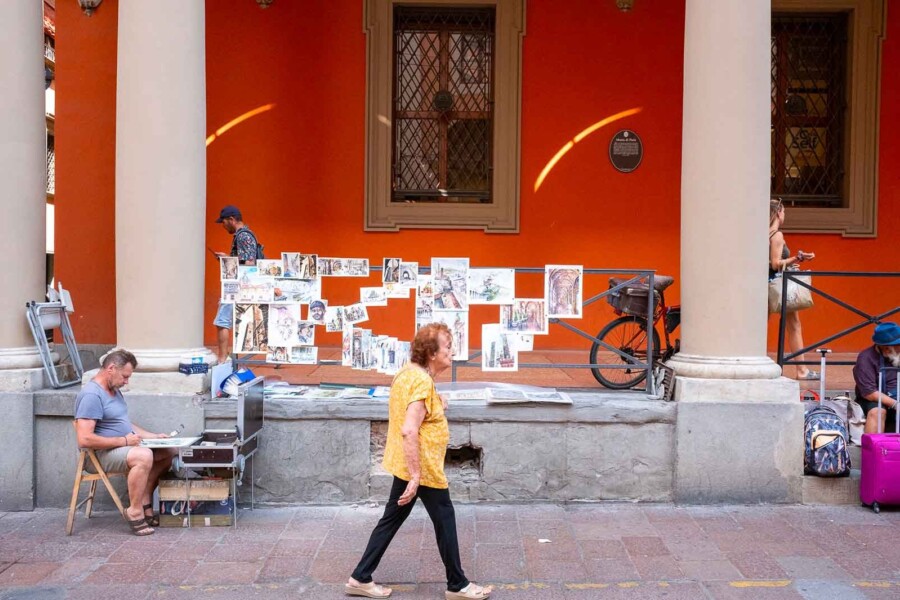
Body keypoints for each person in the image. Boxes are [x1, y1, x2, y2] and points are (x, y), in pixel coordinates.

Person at [346, 323, 492, 600]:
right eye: (447, 346)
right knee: (444, 517)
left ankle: (359, 578)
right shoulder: (422, 381)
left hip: (408, 462)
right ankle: (458, 585)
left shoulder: (408, 373)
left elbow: (416, 405)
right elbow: (409, 428)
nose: (452, 351)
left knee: (391, 518)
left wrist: (437, 401)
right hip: (421, 467)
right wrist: (415, 477)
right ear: (431, 353)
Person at [74, 349, 175, 536]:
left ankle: (145, 501)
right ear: (111, 368)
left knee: (167, 452)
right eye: (125, 376)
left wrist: (153, 437)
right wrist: (124, 440)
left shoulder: (113, 390)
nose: (126, 381)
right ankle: (134, 510)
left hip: (122, 446)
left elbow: (125, 424)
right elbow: (84, 439)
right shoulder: (91, 395)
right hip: (98, 455)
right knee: (143, 455)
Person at [769, 198, 817, 380]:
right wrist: (797, 258)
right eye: (784, 211)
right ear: (778, 212)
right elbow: (775, 264)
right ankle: (801, 370)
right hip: (778, 284)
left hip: (763, 283)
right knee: (794, 325)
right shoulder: (777, 235)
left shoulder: (762, 234)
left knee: (760, 325)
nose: (784, 215)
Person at [213, 205, 262, 363]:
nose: (223, 226)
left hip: (240, 286)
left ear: (231, 220)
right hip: (240, 285)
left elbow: (249, 264)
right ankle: (224, 357)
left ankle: (222, 359)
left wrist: (227, 259)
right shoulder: (244, 235)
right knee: (223, 320)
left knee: (222, 321)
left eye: (224, 222)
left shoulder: (243, 236)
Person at [854, 322, 900, 434]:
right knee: (877, 412)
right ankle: (873, 449)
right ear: (887, 349)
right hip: (874, 398)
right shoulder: (866, 358)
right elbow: (870, 393)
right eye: (898, 347)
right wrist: (895, 404)